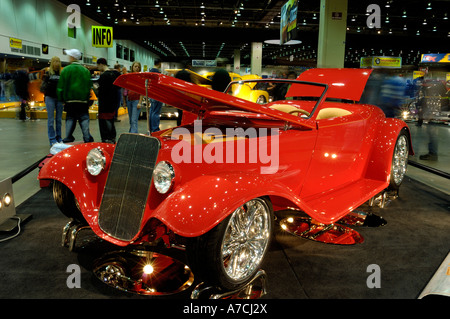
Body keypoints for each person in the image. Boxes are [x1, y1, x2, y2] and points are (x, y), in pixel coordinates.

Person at [57, 49, 94, 143]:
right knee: (84, 119)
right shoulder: (86, 71)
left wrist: (61, 99)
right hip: (83, 102)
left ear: (72, 57)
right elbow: (89, 86)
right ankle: (86, 137)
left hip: (70, 101)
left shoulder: (65, 70)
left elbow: (60, 87)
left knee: (70, 118)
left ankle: (68, 136)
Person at [96, 58, 121, 143]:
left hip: (104, 104)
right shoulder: (113, 75)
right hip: (112, 103)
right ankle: (112, 138)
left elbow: (101, 91)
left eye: (98, 65)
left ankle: (107, 139)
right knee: (110, 121)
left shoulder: (103, 76)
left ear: (101, 64)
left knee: (104, 123)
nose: (97, 67)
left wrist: (97, 88)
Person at [41, 56, 64, 145]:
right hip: (49, 98)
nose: (56, 63)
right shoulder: (48, 74)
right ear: (52, 63)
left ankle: (59, 137)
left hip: (59, 99)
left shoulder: (62, 74)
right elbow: (43, 87)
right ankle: (52, 139)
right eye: (54, 61)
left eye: (58, 61)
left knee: (58, 120)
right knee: (50, 120)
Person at [125, 61, 144, 133]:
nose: (137, 68)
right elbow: (125, 89)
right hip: (129, 100)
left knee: (134, 120)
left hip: (136, 101)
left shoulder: (140, 77)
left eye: (138, 67)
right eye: (135, 66)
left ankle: (133, 135)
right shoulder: (129, 76)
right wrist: (124, 101)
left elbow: (142, 91)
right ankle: (132, 133)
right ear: (132, 67)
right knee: (131, 120)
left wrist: (140, 102)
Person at [148, 59, 163, 133]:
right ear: (160, 63)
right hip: (157, 94)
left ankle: (151, 128)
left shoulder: (150, 71)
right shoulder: (157, 72)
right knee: (156, 112)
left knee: (152, 111)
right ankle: (155, 129)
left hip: (151, 93)